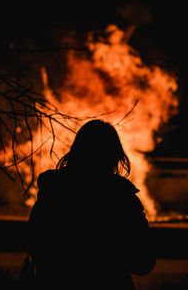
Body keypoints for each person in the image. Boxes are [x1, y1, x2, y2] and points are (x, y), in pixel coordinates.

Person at [28, 119, 156, 289]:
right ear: (114, 154)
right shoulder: (123, 199)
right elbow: (143, 263)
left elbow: (35, 244)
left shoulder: (53, 193)